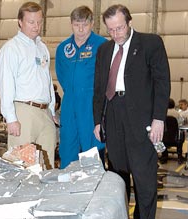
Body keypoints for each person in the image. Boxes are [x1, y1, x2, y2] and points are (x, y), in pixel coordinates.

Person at [93, 4, 170, 219]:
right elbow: (99, 88)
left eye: (119, 28)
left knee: (144, 181)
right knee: (118, 178)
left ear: (129, 22)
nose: (115, 34)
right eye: (110, 30)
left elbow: (162, 82)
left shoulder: (150, 43)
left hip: (142, 119)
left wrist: (159, 119)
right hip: (113, 116)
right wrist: (98, 121)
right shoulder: (104, 50)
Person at [0, 1, 57, 169]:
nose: (36, 26)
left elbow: (47, 80)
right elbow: (6, 84)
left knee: (47, 167)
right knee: (21, 167)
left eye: (39, 22)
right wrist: (11, 118)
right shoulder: (11, 48)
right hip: (23, 112)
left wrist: (51, 110)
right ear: (20, 22)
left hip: (44, 113)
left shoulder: (42, 47)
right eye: (31, 22)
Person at [55, 6, 107, 169]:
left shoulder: (102, 45)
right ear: (71, 24)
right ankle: (67, 187)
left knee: (91, 148)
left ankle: (93, 187)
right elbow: (61, 75)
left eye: (84, 25)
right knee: (67, 145)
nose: (81, 29)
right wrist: (73, 91)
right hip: (70, 102)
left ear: (92, 23)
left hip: (91, 104)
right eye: (77, 25)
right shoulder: (63, 48)